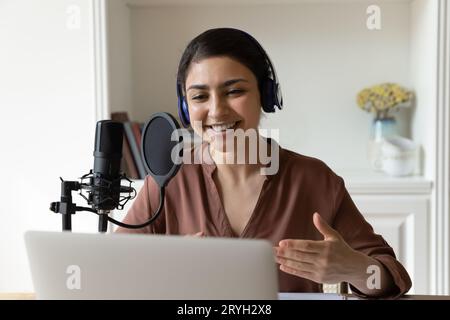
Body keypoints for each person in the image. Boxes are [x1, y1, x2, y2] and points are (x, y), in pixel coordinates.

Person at [116, 28, 411, 298]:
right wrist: (162, 268)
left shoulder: (314, 179)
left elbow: (391, 278)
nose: (216, 111)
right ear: (185, 106)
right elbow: (114, 270)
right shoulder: (169, 178)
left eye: (234, 91)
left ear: (266, 95)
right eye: (200, 96)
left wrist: (354, 269)